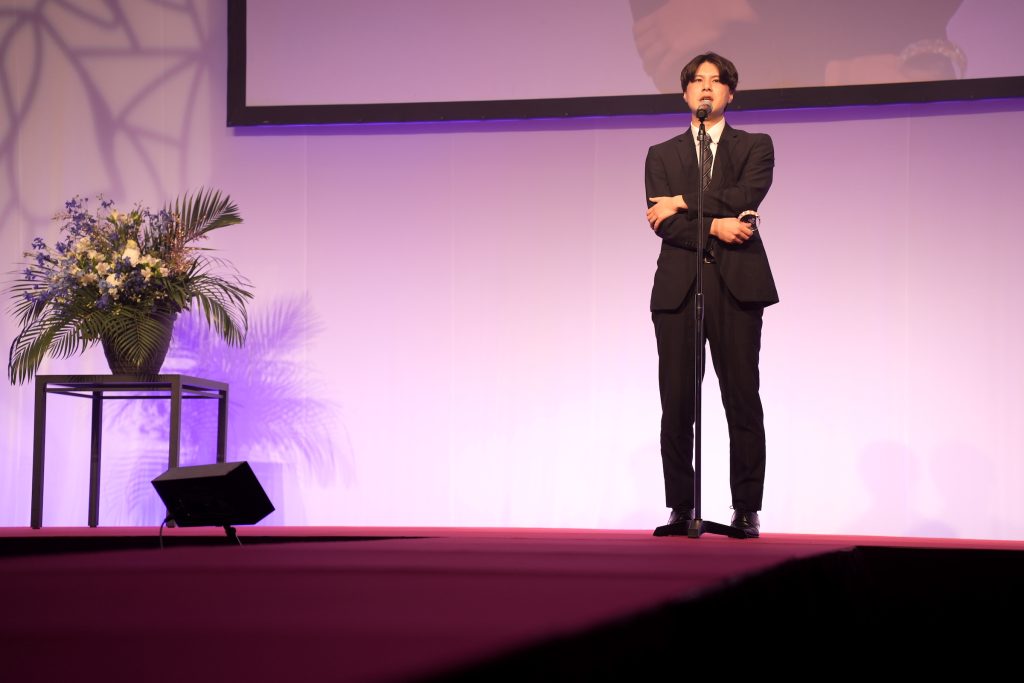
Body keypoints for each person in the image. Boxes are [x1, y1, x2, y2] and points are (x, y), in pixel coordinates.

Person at [644, 52, 778, 538]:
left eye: (716, 81)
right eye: (697, 81)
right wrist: (715, 226)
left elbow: (746, 194)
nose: (706, 87)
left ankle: (746, 508)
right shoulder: (661, 154)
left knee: (741, 398)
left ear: (729, 93)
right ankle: (682, 506)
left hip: (737, 286)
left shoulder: (755, 145)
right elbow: (664, 224)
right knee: (677, 402)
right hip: (679, 290)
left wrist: (684, 201)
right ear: (685, 94)